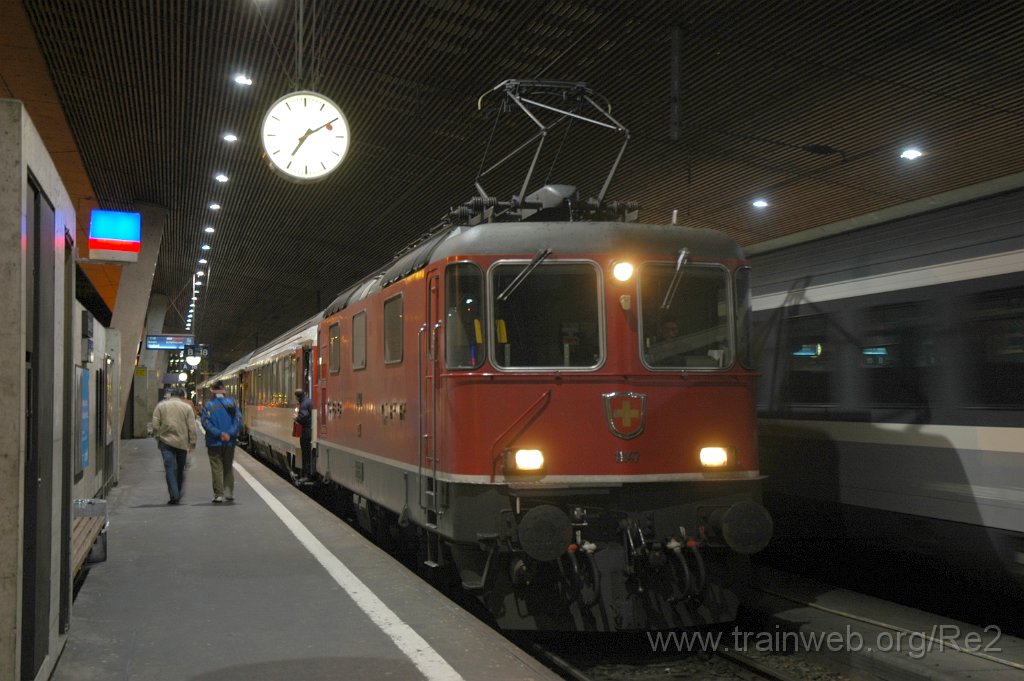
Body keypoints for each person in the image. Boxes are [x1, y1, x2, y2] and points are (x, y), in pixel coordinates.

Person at [151, 387, 197, 504]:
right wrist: (192, 443)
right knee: (180, 469)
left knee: (169, 468)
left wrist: (158, 436)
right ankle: (178, 492)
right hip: (182, 443)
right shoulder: (187, 407)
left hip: (165, 442)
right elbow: (192, 427)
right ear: (182, 396)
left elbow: (155, 424)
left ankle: (174, 495)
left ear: (171, 395)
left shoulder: (161, 406)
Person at [200, 380, 243, 503]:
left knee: (216, 468)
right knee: (228, 467)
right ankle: (229, 492)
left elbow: (206, 422)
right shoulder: (232, 404)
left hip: (214, 442)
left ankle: (218, 494)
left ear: (212, 392)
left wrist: (219, 434)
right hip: (229, 442)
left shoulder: (209, 406)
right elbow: (239, 421)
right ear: (224, 391)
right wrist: (229, 434)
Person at [294, 389, 313, 482]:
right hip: (310, 431)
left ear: (298, 397)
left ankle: (307, 475)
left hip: (306, 432)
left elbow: (303, 417)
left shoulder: (304, 404)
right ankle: (307, 474)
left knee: (305, 454)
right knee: (307, 454)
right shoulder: (309, 401)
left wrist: (296, 418)